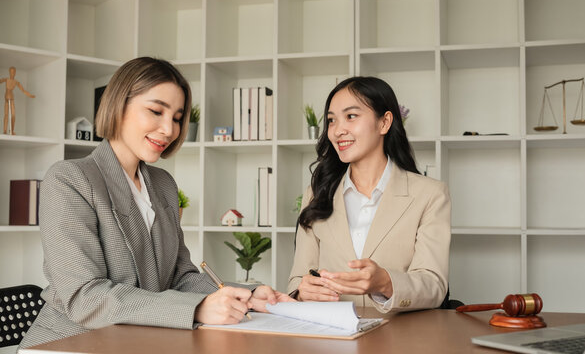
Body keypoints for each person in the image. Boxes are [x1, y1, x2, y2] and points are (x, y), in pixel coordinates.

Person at [20, 57, 291, 349]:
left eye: (176, 117)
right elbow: (85, 297)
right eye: (155, 111)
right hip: (70, 343)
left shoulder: (162, 184)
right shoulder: (69, 179)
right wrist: (197, 308)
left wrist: (246, 295)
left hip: (135, 340)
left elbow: (181, 277)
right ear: (118, 105)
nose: (168, 129)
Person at [287, 76, 451, 313]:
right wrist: (303, 291)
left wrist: (385, 282)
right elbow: (297, 280)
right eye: (331, 121)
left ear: (384, 123)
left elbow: (434, 285)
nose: (337, 130)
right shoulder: (316, 194)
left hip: (401, 339)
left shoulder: (430, 194)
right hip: (332, 339)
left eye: (351, 116)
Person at [2, 66, 35, 135]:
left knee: (13, 115)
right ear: (9, 72)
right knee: (6, 115)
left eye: (13, 72)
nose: (12, 74)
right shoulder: (6, 79)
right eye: (11, 72)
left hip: (12, 98)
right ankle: (4, 130)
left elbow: (23, 90)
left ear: (15, 73)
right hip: (6, 98)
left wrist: (30, 95)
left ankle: (11, 130)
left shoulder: (16, 82)